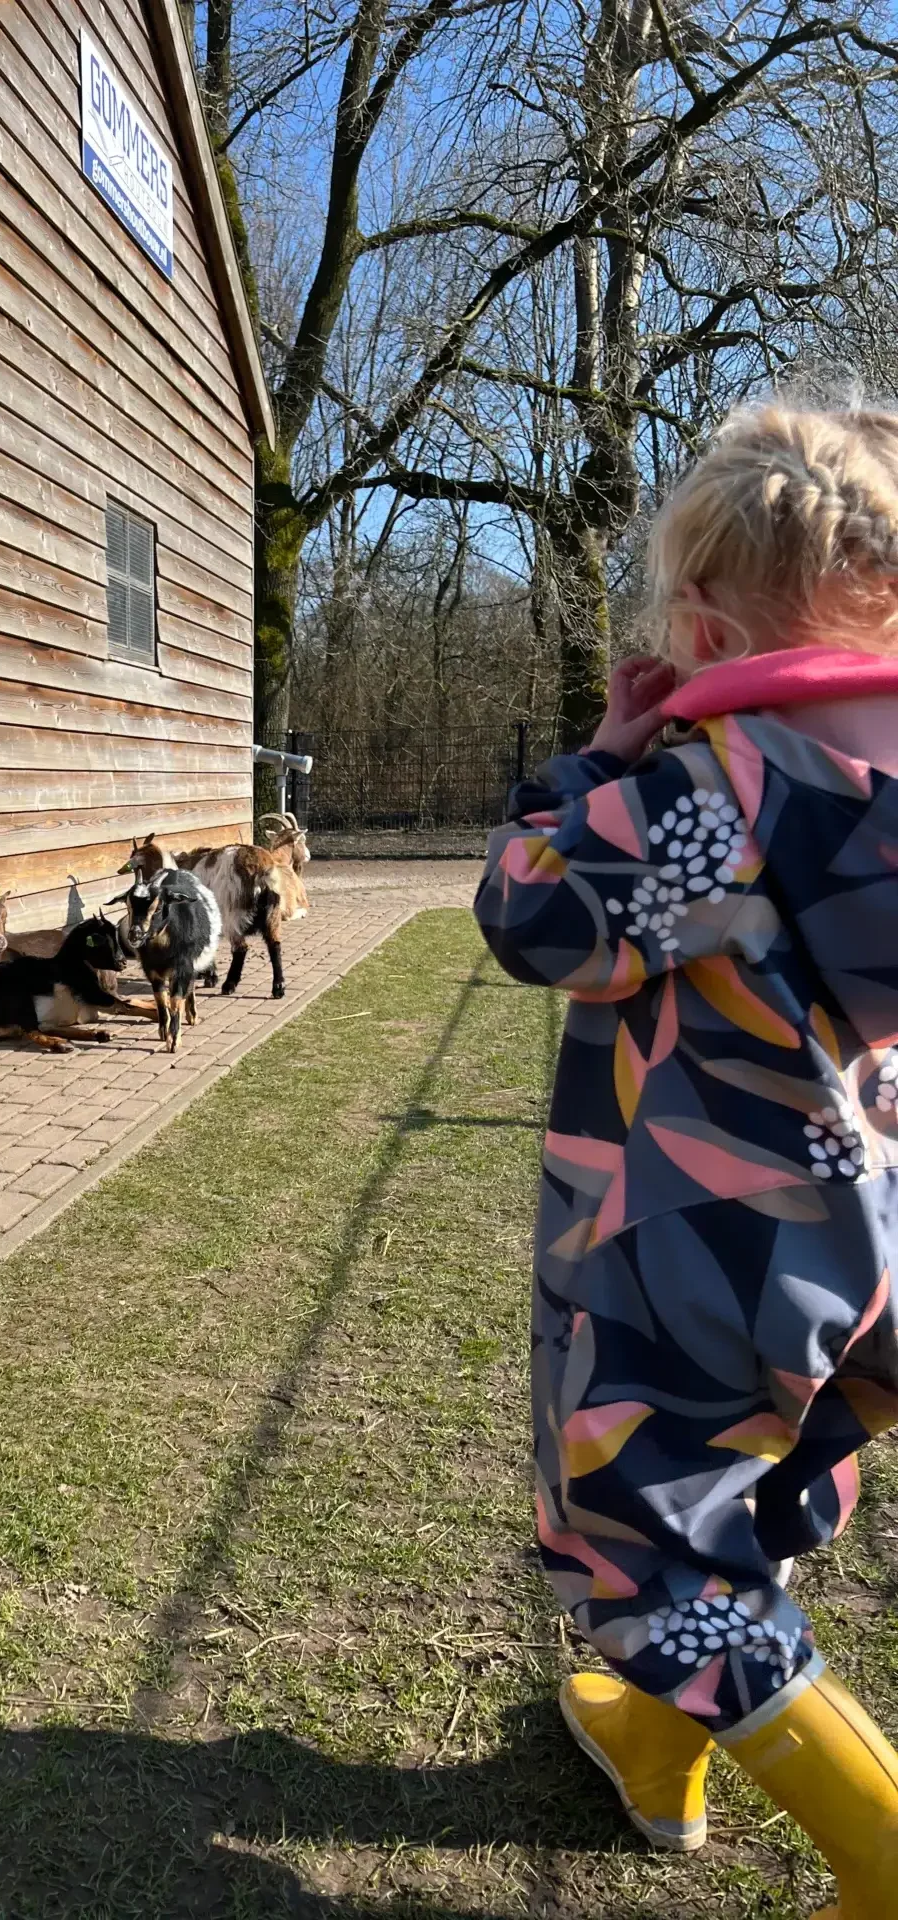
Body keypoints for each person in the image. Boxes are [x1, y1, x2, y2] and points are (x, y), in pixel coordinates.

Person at [474, 402, 898, 1917]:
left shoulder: (710, 796)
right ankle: (661, 1762)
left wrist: (597, 756)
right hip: (865, 1246)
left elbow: (532, 913)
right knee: (738, 1491)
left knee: (659, 1549)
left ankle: (885, 1851)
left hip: (713, 1241)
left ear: (705, 619)